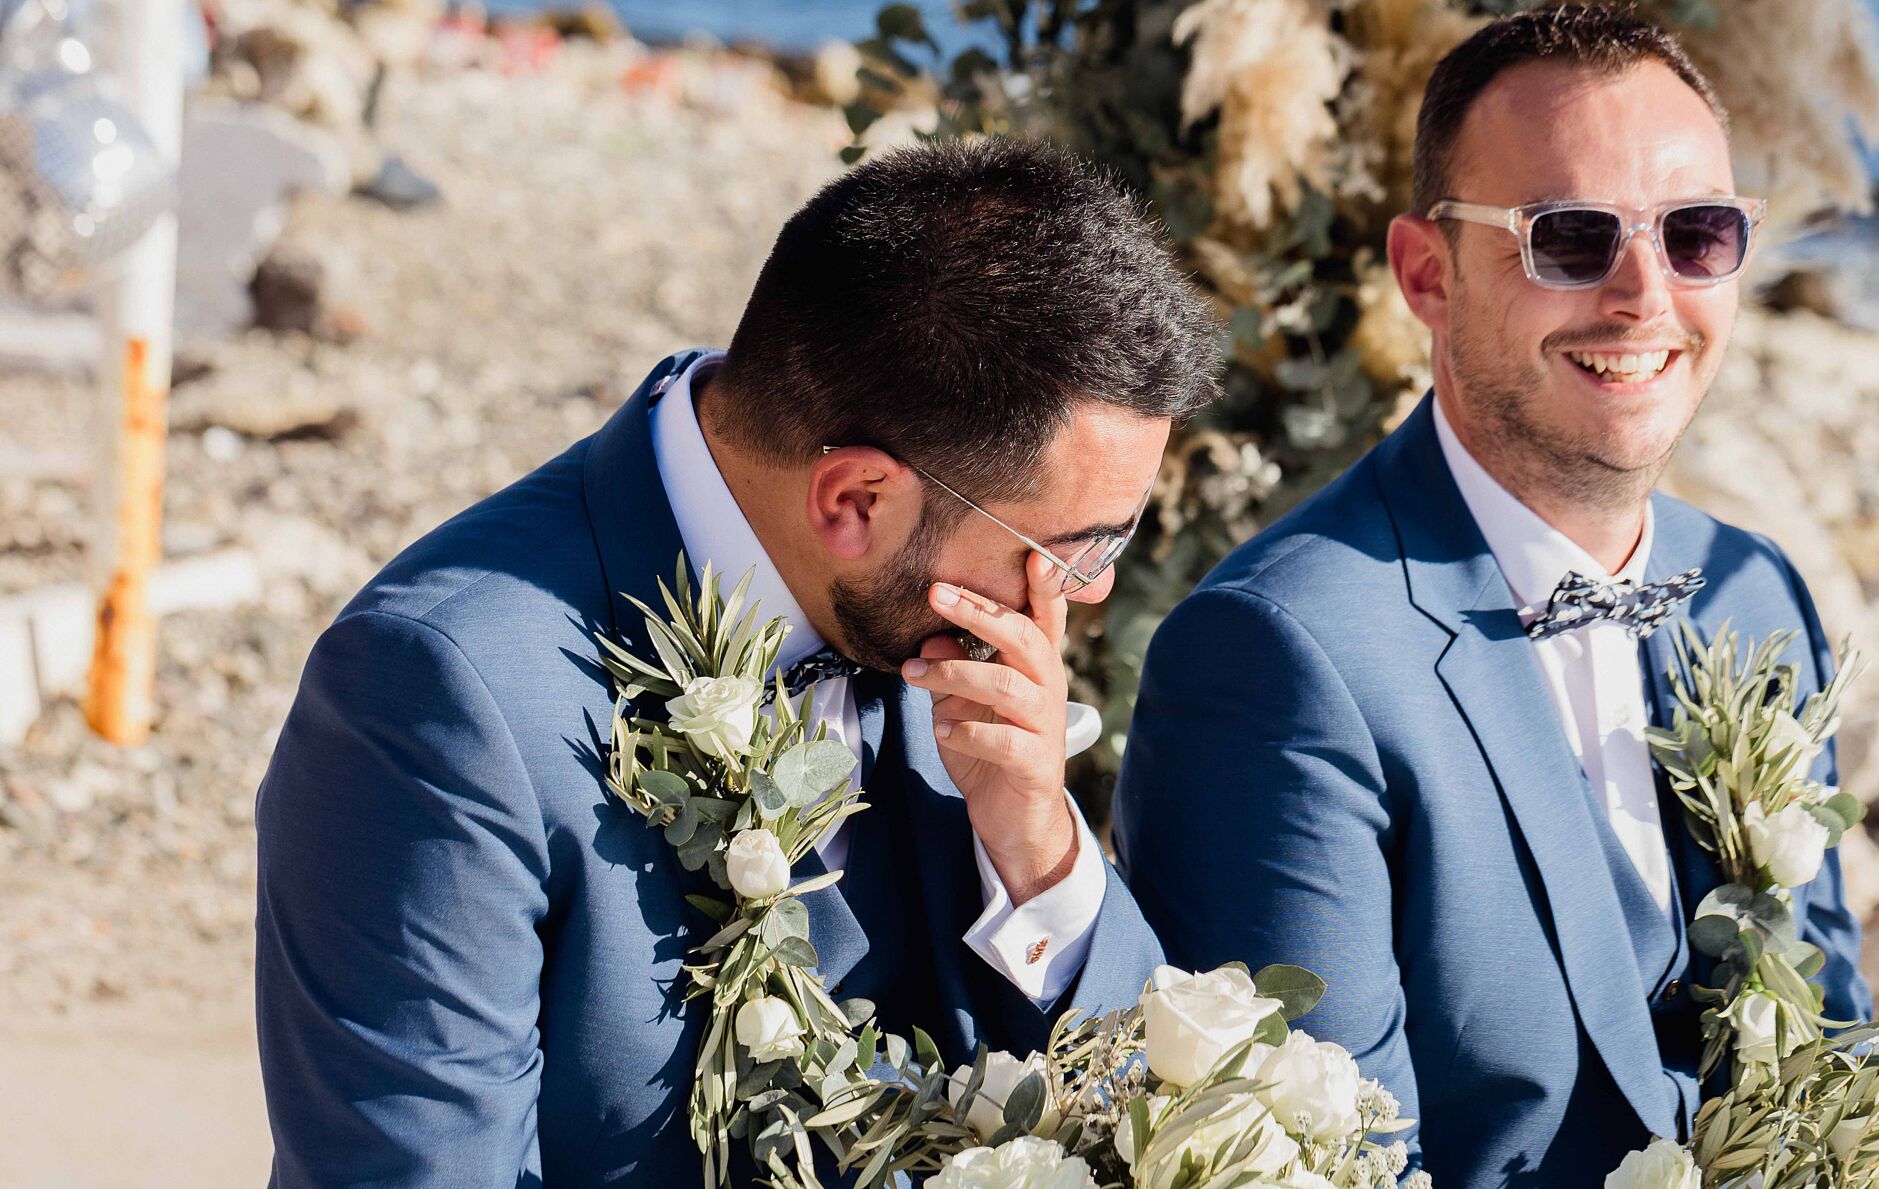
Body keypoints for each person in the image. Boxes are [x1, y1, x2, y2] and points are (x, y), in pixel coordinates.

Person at [255, 139, 1222, 1185]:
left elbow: (1148, 1111)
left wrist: (1036, 847)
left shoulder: (955, 644)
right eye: (1072, 547)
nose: (1086, 595)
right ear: (854, 501)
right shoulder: (439, 695)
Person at [1113, 4, 1870, 1186]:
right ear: (1425, 273)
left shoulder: (1751, 592)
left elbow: (1830, 1041)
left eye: (1695, 234)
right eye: (1567, 238)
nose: (1641, 296)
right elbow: (1334, 1164)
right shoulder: (1279, 655)